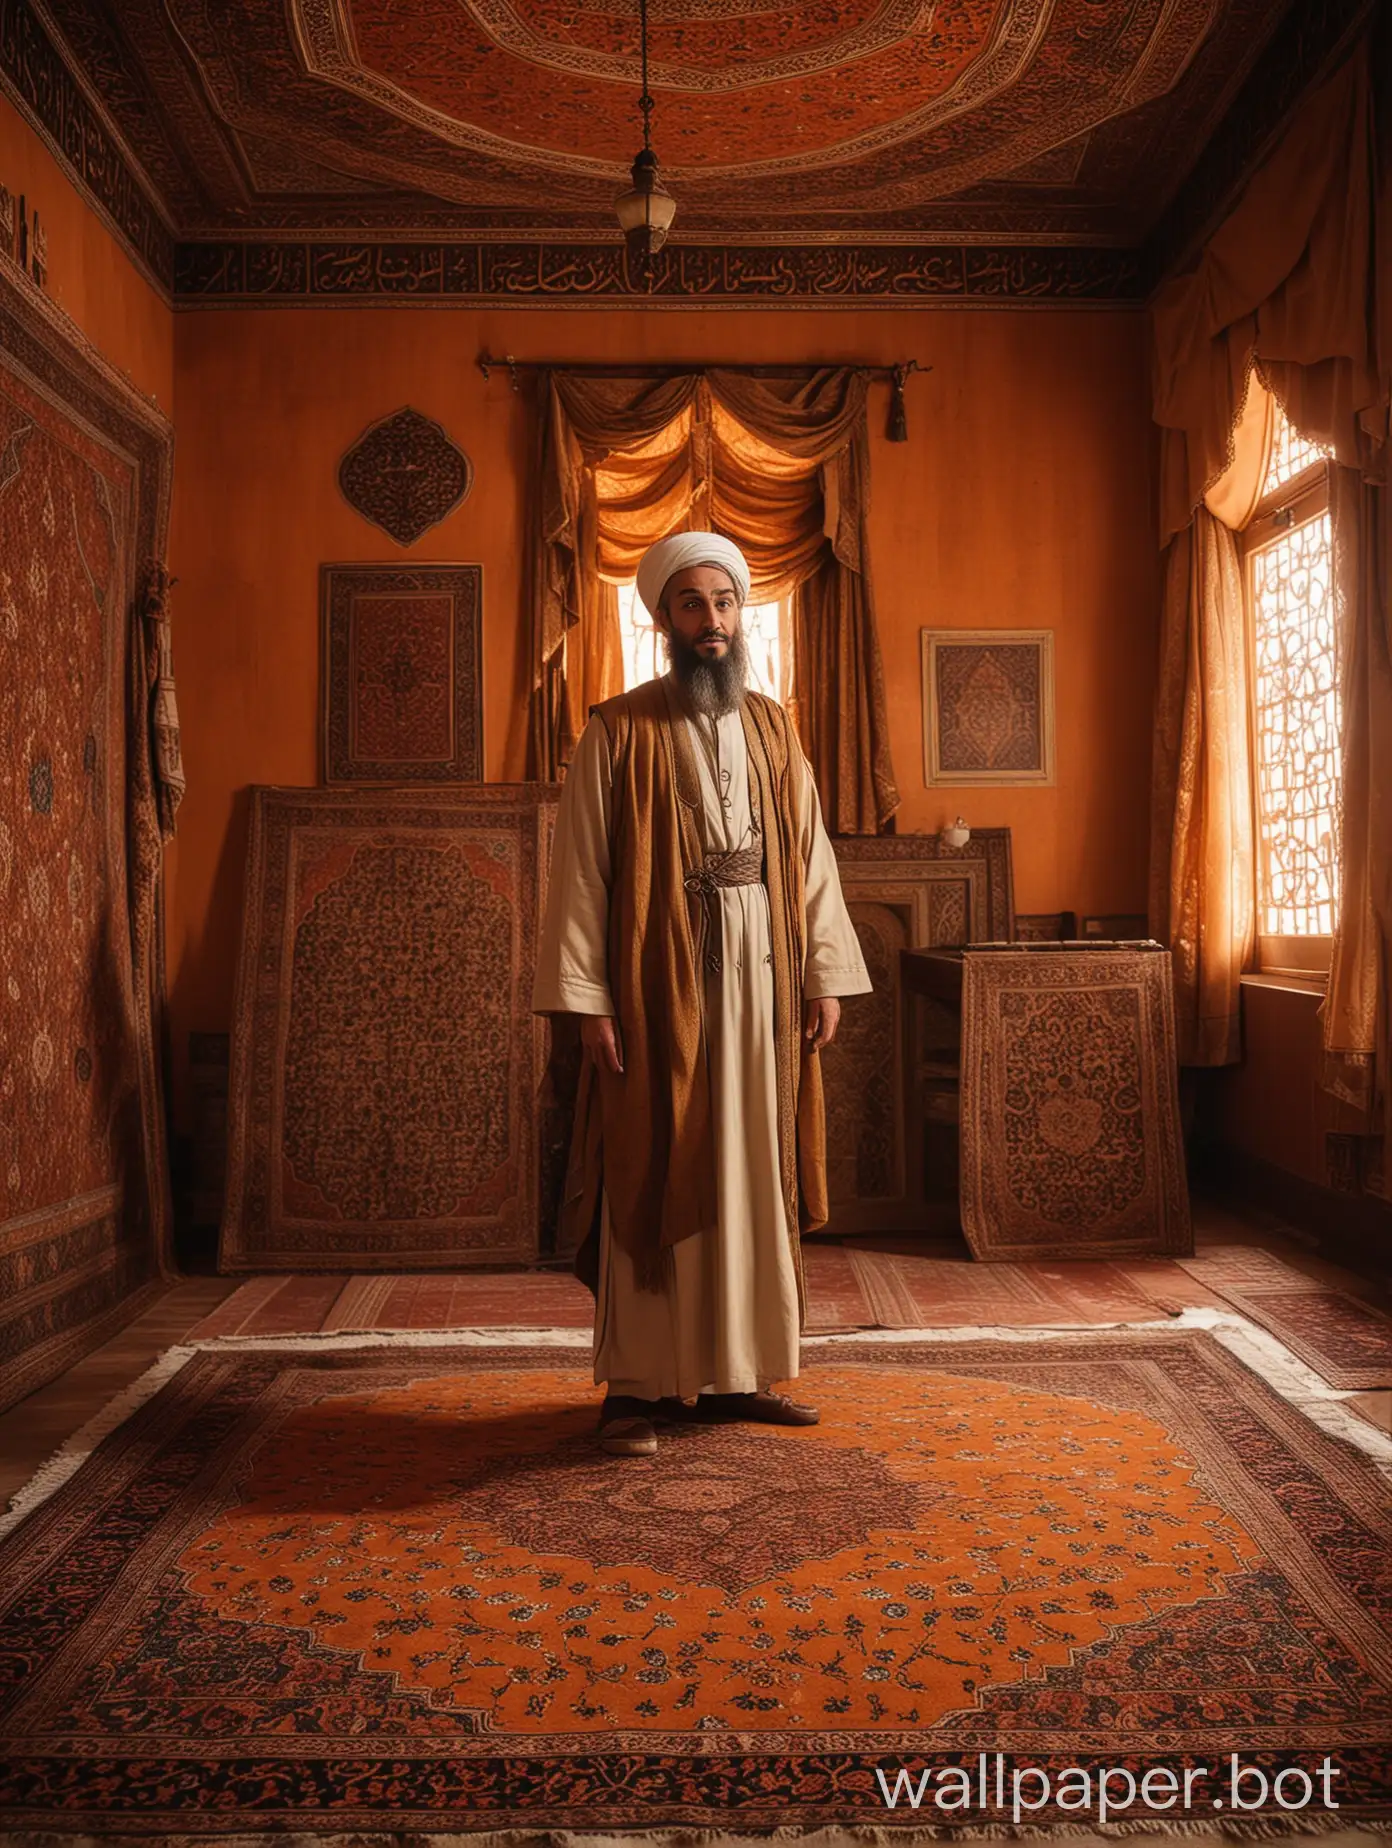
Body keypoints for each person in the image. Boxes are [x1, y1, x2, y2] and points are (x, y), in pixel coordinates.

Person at [532, 532, 870, 1456]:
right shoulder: (616, 729)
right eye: (691, 605)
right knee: (657, 1162)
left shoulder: (773, 726)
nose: (710, 621)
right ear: (663, 619)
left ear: (740, 612)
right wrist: (589, 1001)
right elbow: (582, 877)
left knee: (750, 1167)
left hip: (761, 982)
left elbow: (807, 858)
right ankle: (637, 1392)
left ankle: (734, 1376)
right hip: (652, 988)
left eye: (723, 603)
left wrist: (822, 973)